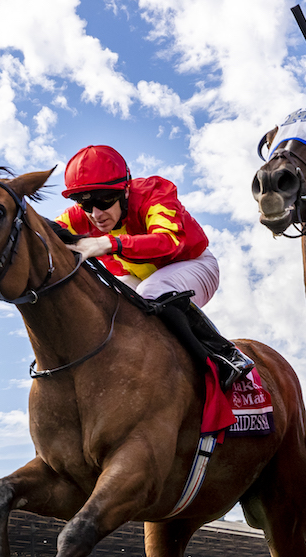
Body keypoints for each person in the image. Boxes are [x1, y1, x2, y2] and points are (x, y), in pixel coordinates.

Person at [55, 144, 254, 388]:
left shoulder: (154, 193)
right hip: (139, 278)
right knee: (106, 302)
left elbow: (168, 241)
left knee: (152, 291)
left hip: (193, 264)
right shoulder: (81, 216)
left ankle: (226, 356)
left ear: (126, 191)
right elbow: (44, 235)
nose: (96, 214)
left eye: (105, 200)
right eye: (85, 204)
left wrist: (109, 243)